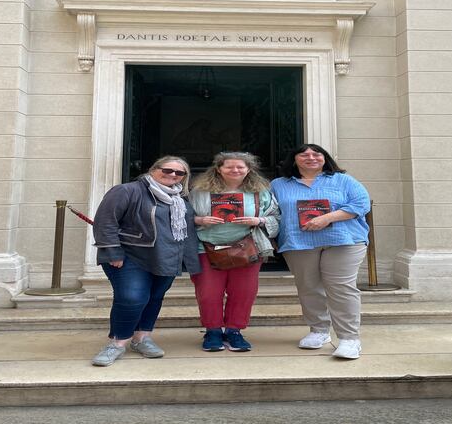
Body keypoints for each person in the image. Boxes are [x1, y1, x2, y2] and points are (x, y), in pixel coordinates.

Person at [90, 156, 200, 366]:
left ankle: (142, 338)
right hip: (130, 255)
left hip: (167, 256)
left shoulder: (181, 199)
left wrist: (190, 258)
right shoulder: (127, 190)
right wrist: (112, 252)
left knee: (154, 297)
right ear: (153, 169)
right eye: (167, 170)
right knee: (131, 297)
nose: (173, 175)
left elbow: (186, 228)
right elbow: (106, 221)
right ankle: (117, 343)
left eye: (179, 173)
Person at [271, 144, 370, 360]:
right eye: (304, 154)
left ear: (325, 158)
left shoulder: (343, 180)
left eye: (316, 154)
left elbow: (361, 204)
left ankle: (349, 339)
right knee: (308, 287)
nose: (311, 157)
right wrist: (271, 238)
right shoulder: (278, 184)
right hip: (298, 242)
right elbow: (270, 211)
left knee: (341, 288)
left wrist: (327, 218)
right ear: (294, 159)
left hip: (344, 241)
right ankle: (319, 331)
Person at [189, 152, 280, 352]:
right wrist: (199, 220)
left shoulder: (260, 192)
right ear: (218, 168)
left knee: (243, 292)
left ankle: (234, 331)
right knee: (208, 293)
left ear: (249, 169)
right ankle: (212, 331)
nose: (235, 170)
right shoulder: (199, 191)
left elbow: (276, 217)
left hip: (247, 247)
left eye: (240, 167)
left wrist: (258, 221)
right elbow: (183, 216)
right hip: (206, 248)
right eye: (229, 166)